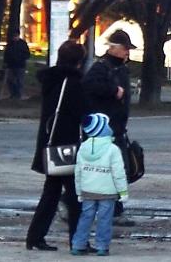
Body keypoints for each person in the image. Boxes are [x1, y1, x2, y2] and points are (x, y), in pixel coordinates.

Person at [26, 40, 88, 251]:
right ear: (79, 62)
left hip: (51, 144)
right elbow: (81, 113)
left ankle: (35, 236)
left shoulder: (53, 80)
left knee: (51, 193)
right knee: (74, 195)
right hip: (66, 146)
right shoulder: (72, 83)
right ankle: (77, 240)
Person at [82, 29, 135, 221]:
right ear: (114, 49)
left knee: (118, 169)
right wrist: (113, 91)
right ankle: (111, 210)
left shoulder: (120, 68)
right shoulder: (101, 68)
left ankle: (115, 208)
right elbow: (89, 87)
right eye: (125, 49)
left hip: (117, 128)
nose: (127, 53)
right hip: (103, 130)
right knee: (108, 171)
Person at [71, 113, 128, 257]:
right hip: (107, 191)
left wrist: (79, 191)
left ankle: (78, 244)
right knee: (105, 219)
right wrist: (123, 191)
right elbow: (118, 173)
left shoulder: (83, 147)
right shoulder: (113, 149)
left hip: (87, 190)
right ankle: (102, 246)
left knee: (85, 217)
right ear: (103, 129)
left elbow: (78, 171)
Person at [3, 30, 31, 99]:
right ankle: (13, 93)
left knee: (19, 80)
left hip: (20, 65)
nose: (14, 38)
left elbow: (27, 54)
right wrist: (6, 62)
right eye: (13, 36)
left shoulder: (22, 44)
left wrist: (21, 58)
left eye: (15, 36)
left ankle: (19, 94)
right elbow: (6, 54)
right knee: (10, 80)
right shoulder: (10, 44)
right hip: (11, 65)